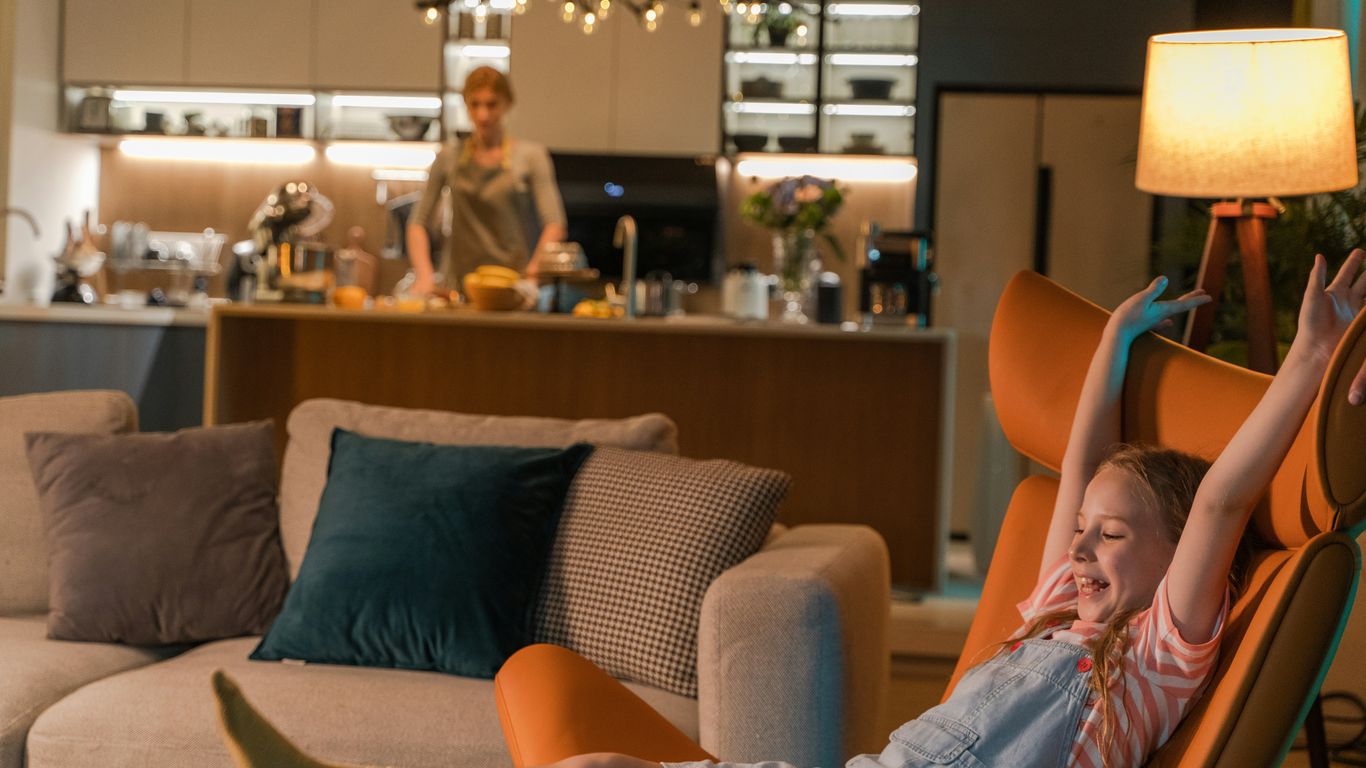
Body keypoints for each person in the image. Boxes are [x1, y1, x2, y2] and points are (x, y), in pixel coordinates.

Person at [537, 250, 1366, 768]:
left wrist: (1310, 358)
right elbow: (1076, 469)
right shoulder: (1054, 616)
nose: (1078, 551)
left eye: (1110, 536)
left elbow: (1222, 501)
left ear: (1179, 552)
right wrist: (1111, 346)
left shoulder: (1158, 657)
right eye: (1080, 533)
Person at [406, 66, 567, 297]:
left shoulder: (531, 157)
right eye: (475, 104)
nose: (483, 115)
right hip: (458, 289)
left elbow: (555, 224)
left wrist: (533, 273)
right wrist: (424, 274)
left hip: (513, 289)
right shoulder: (448, 157)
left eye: (492, 104)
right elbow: (418, 222)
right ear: (466, 106)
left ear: (507, 104)